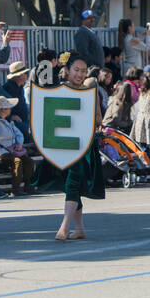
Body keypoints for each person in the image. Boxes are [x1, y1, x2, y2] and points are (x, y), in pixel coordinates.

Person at [54, 53, 105, 242]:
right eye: (76, 70)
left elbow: (99, 119)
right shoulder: (58, 90)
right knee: (71, 184)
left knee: (73, 182)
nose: (80, 74)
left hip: (83, 143)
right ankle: (80, 228)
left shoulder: (90, 91)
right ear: (67, 70)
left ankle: (65, 226)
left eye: (83, 71)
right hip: (63, 143)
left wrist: (85, 111)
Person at [0, 95, 35, 195]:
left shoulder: (7, 121)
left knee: (29, 162)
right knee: (17, 162)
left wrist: (20, 144)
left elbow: (19, 134)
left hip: (12, 151)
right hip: (2, 153)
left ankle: (27, 187)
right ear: (3, 110)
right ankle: (15, 190)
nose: (10, 109)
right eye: (8, 107)